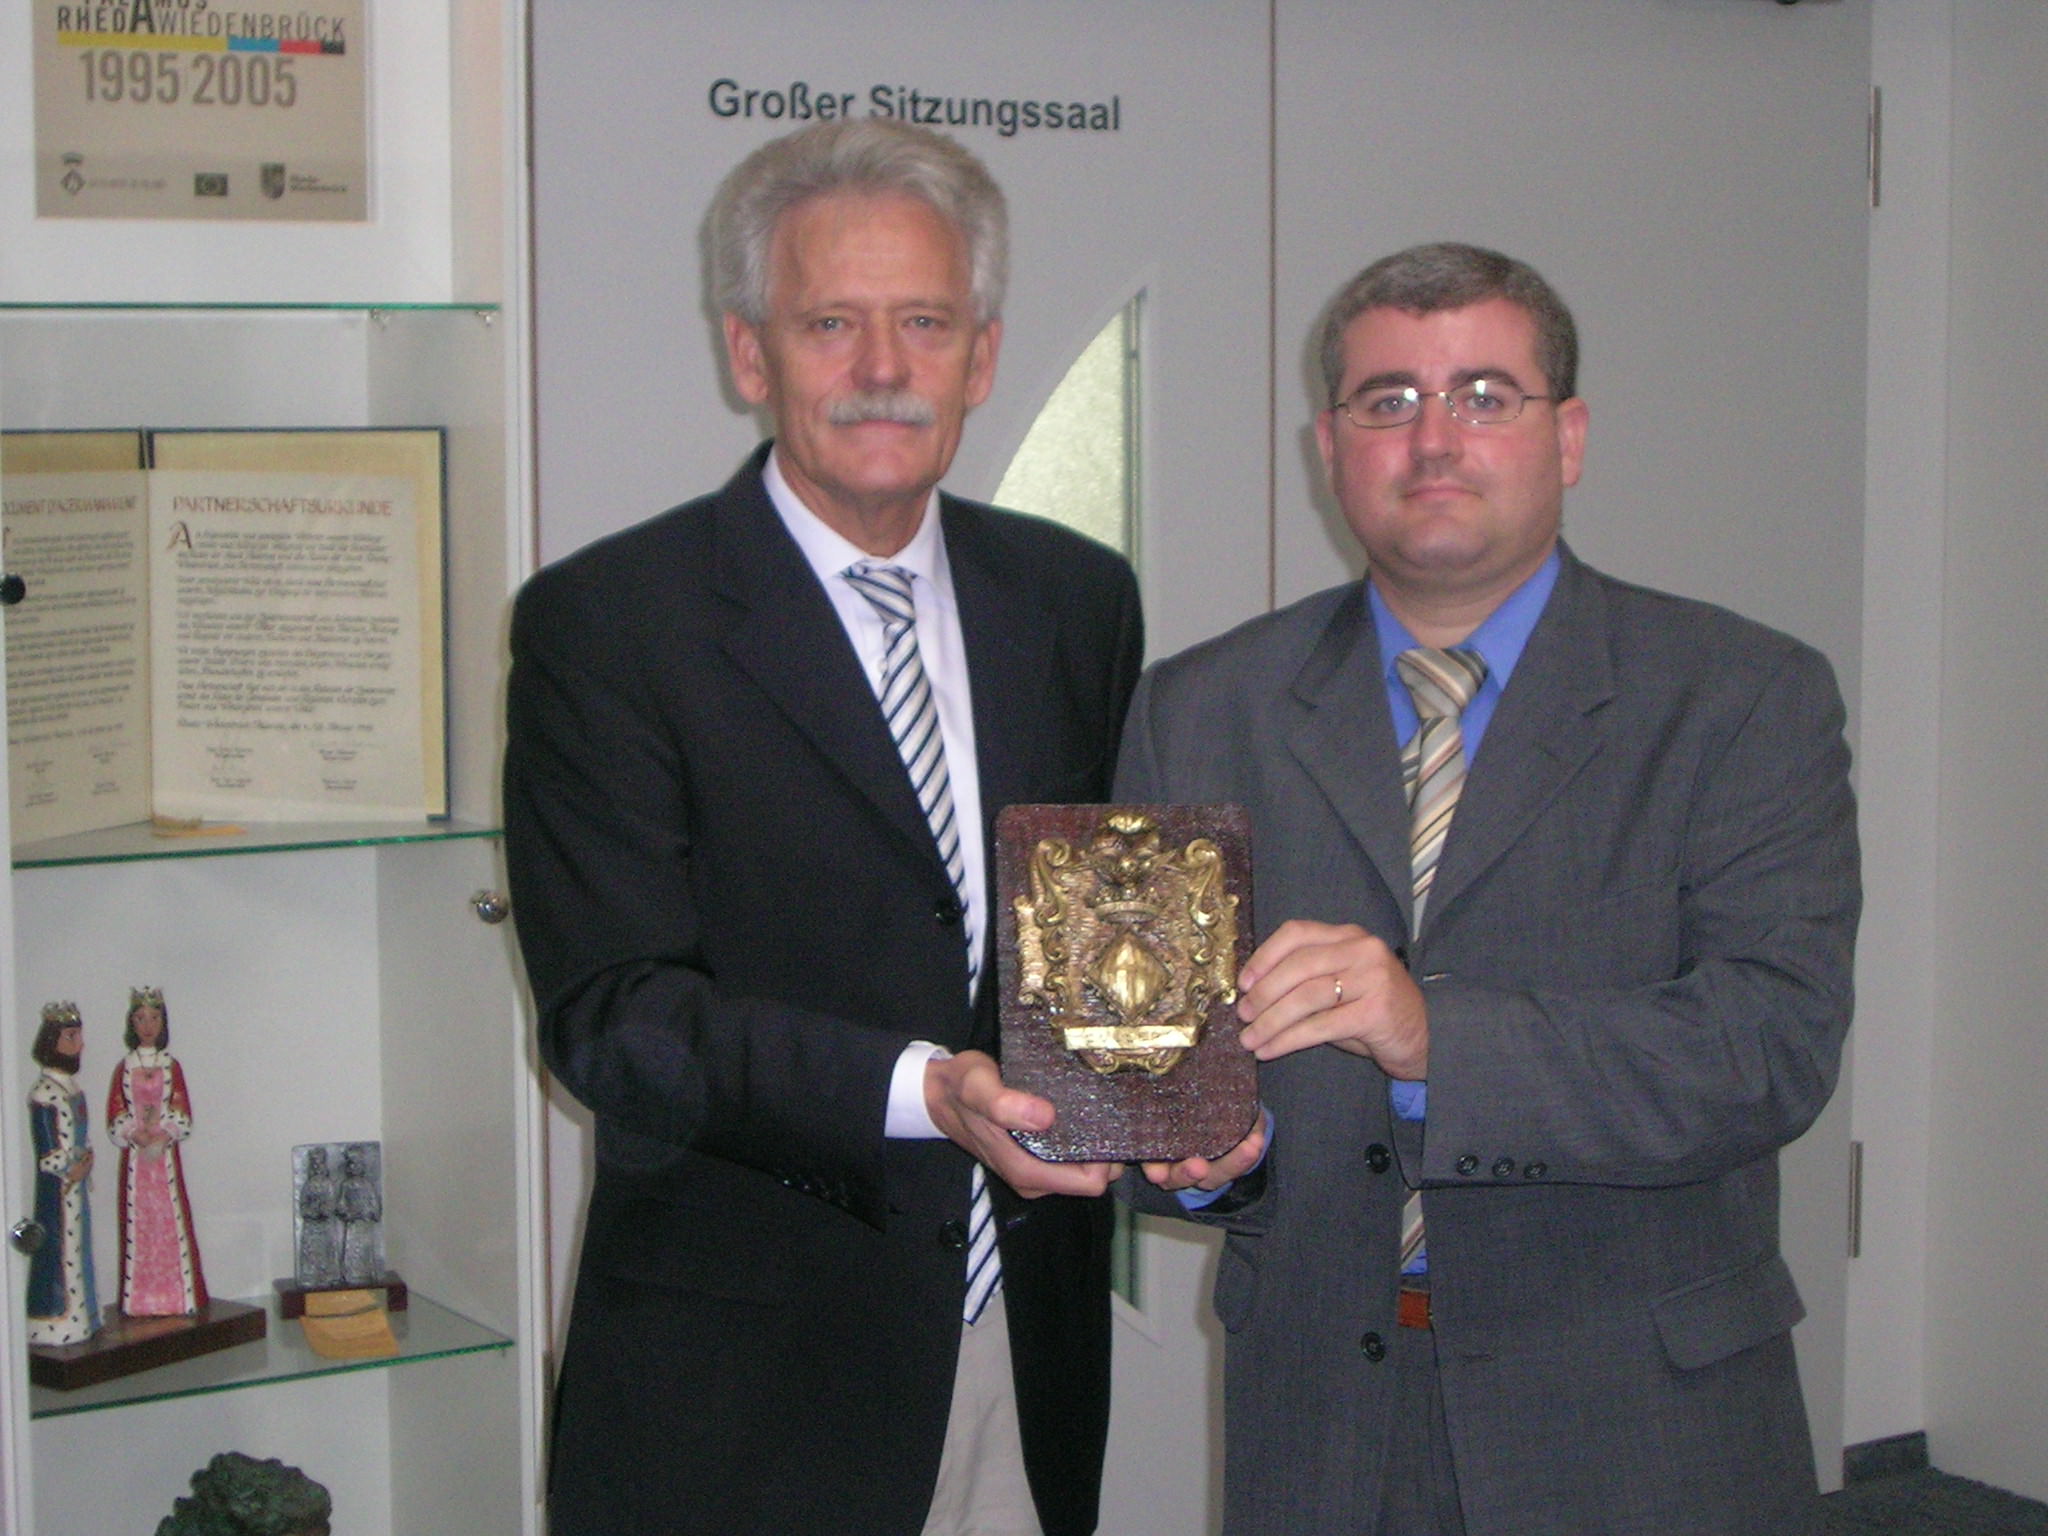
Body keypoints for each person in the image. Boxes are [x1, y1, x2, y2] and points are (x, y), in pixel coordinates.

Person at [1117, 242, 1859, 1535]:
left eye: (1483, 396)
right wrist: (1199, 1164)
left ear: (1567, 437)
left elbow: (1767, 1050)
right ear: (1328, 447)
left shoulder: (1740, 697)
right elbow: (1142, 1078)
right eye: (1387, 400)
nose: (1432, 439)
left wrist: (1434, 1040)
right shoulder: (1198, 708)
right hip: (1322, 1420)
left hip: (1638, 1420)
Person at [503, 117, 1141, 1536]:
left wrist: (1186, 1106)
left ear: (981, 354)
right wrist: (925, 1090)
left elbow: (1098, 940)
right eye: (830, 323)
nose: (881, 367)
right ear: (750, 354)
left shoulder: (1074, 601)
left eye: (925, 322)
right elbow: (616, 1019)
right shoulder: (610, 624)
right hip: (745, 1398)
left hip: (1022, 1356)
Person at [107, 986, 210, 1318]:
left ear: (163, 1022)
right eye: (141, 1019)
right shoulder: (125, 1067)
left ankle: (178, 1294)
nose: (148, 1025)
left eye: (154, 1018)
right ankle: (140, 1296)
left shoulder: (170, 1065)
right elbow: (116, 1111)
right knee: (139, 1226)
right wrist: (133, 1132)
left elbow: (182, 1110)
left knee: (170, 1223)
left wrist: (165, 1132)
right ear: (132, 1023)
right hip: (138, 1163)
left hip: (163, 1159)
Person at [26, 1001, 100, 1347]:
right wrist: (71, 1164)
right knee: (58, 1253)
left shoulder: (72, 1088)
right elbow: (46, 1153)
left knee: (79, 1250)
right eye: (71, 1037)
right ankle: (54, 1316)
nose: (79, 1044)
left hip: (76, 1189)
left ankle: (82, 1315)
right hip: (57, 1194)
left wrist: (85, 1158)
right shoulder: (44, 1094)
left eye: (79, 1036)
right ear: (52, 1041)